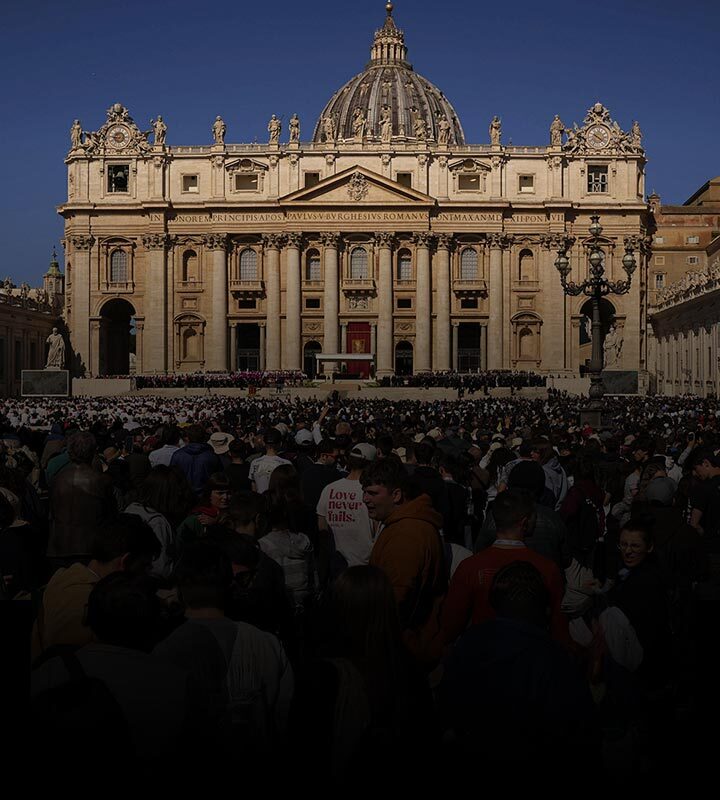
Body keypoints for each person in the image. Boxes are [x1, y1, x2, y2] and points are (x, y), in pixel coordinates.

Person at [438, 561, 599, 778]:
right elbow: (580, 734)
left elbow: (447, 709)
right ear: (545, 608)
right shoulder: (554, 658)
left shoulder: (469, 644)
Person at [153, 541, 294, 747]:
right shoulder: (267, 644)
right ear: (230, 583)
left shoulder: (163, 650)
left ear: (180, 588)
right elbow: (284, 716)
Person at [442, 489, 569, 647]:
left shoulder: (470, 566)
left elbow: (450, 626)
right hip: (530, 660)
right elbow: (560, 631)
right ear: (524, 522)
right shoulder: (547, 569)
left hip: (483, 658)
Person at [32, 514, 160, 660]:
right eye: (143, 566)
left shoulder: (68, 579)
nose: (146, 575)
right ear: (126, 561)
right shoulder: (88, 605)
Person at [362, 459, 447, 667]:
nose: (365, 499)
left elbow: (395, 599)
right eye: (364, 492)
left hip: (402, 651)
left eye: (373, 493)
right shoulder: (403, 525)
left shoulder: (407, 535)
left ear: (397, 495)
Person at [47, 431, 116, 568]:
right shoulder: (101, 481)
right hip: (88, 549)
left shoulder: (58, 478)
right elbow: (111, 515)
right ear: (93, 451)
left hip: (58, 547)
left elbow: (53, 512)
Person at [317, 443, 375, 572]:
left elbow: (322, 527)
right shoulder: (370, 492)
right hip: (364, 564)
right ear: (370, 465)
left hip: (336, 565)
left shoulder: (329, 489)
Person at [170, 424, 222, 495]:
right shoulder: (212, 456)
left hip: (184, 495)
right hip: (204, 495)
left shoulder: (177, 455)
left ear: (188, 438)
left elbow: (172, 478)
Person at [248, 428, 291, 494]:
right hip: (279, 502)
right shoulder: (287, 464)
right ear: (280, 444)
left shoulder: (254, 463)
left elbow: (254, 487)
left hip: (260, 502)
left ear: (263, 443)